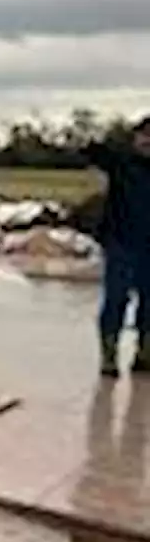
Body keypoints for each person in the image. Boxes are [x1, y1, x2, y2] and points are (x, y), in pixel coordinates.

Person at [86, 118, 150, 376]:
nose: (149, 142)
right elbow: (93, 152)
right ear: (135, 139)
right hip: (121, 243)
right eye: (144, 136)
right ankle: (109, 357)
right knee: (116, 299)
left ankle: (144, 354)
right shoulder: (121, 164)